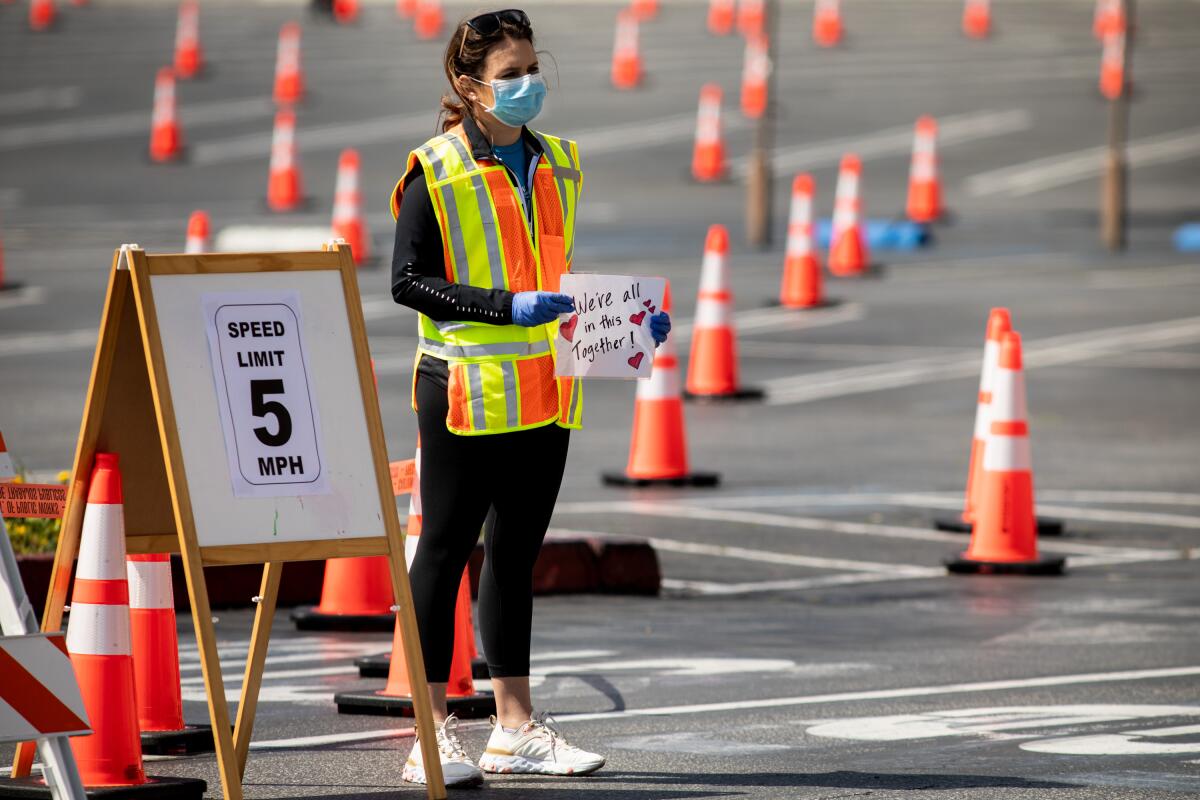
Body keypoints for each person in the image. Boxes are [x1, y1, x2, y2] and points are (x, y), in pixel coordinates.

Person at [389, 7, 671, 788]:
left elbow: (561, 275)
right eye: (508, 75)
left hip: (547, 390)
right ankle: (429, 731)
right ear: (468, 86)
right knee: (443, 553)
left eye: (530, 70)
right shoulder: (435, 170)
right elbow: (406, 281)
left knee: (514, 555)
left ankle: (514, 726)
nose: (525, 85)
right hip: (463, 391)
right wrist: (501, 306)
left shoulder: (561, 162)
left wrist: (634, 325)